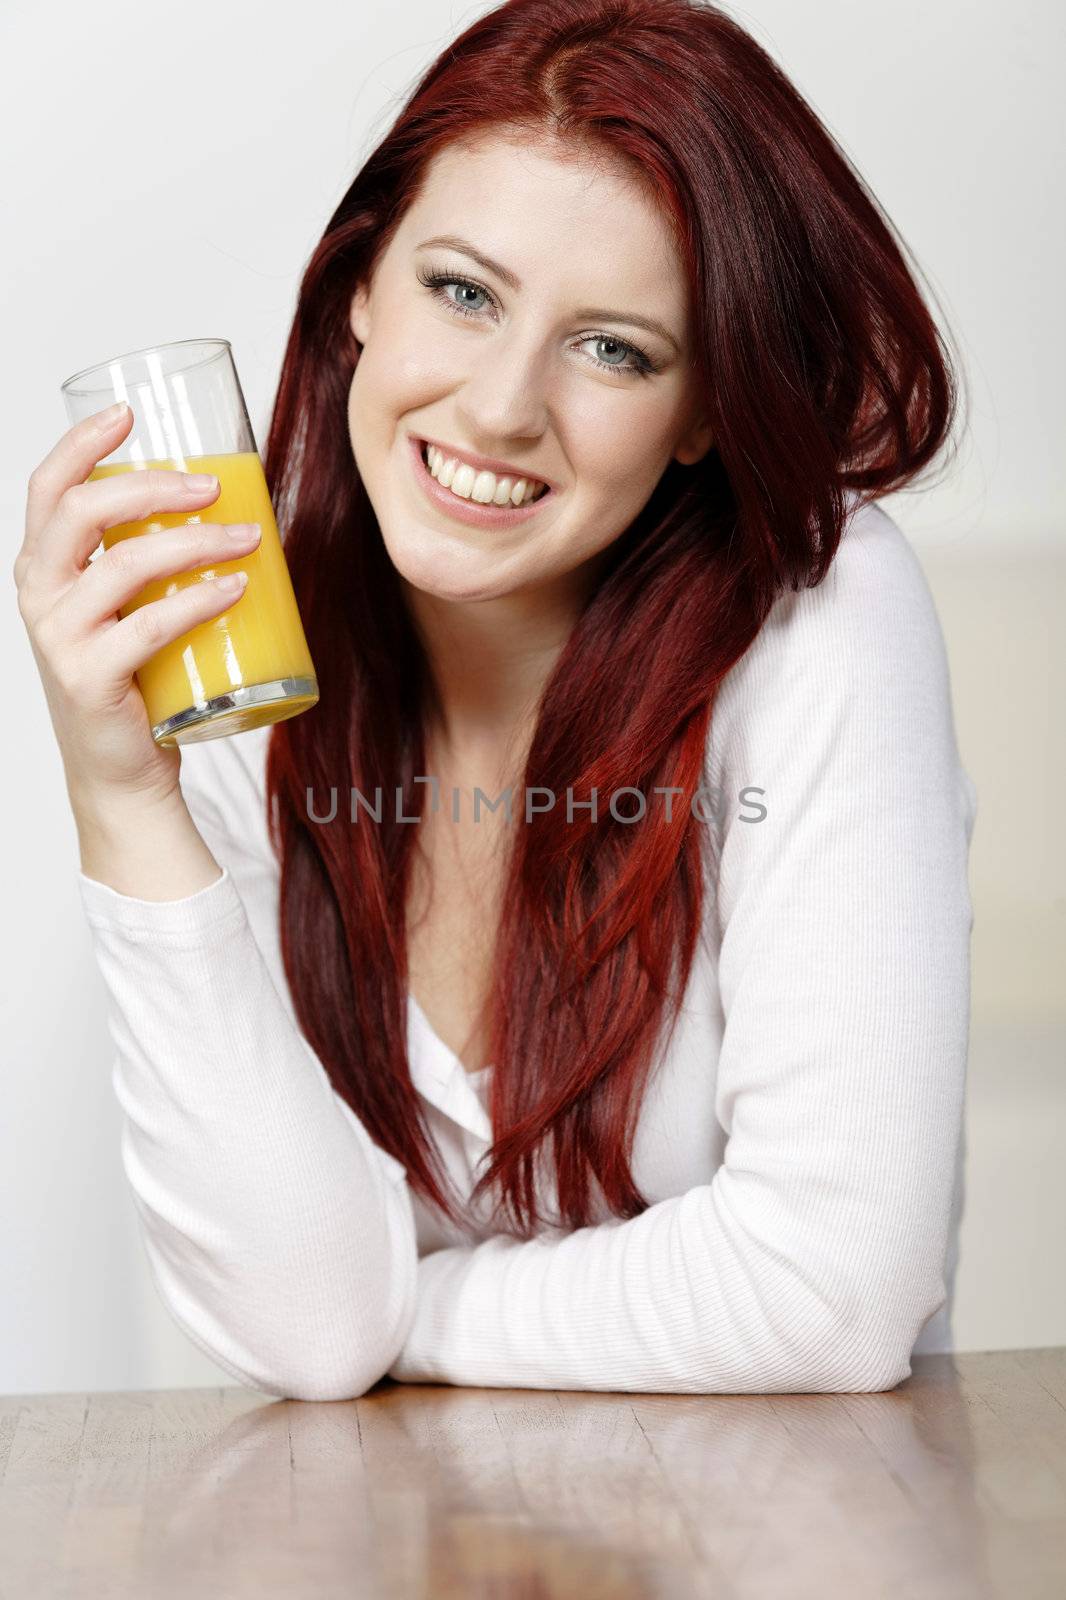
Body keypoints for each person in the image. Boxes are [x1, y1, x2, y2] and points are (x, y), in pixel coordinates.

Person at [14, 0, 977, 1401]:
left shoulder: (821, 613)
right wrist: (124, 801)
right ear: (358, 284)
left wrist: (416, 1316)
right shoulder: (244, 642)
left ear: (704, 410)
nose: (501, 408)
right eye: (461, 292)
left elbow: (832, 1291)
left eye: (614, 350)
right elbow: (301, 1327)